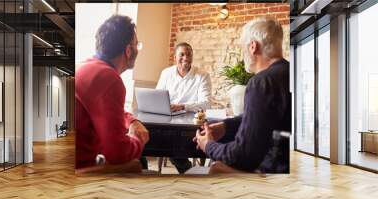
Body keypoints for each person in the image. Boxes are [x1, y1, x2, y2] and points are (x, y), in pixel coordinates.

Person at [193, 17, 291, 173]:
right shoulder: (291, 73)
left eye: (242, 47)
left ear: (253, 46)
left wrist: (208, 146)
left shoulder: (261, 82)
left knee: (216, 169)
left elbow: (243, 156)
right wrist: (226, 126)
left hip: (274, 176)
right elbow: (262, 118)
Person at [75, 15, 149, 170]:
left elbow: (104, 110)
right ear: (128, 50)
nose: (137, 49)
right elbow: (117, 153)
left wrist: (132, 120)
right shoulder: (109, 78)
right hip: (80, 169)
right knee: (136, 165)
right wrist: (137, 139)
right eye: (137, 45)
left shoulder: (86, 67)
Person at [156, 42, 212, 174]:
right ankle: (189, 172)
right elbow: (157, 95)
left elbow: (206, 103)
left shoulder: (202, 75)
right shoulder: (166, 73)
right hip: (167, 121)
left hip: (190, 125)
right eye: (181, 54)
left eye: (189, 54)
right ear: (175, 57)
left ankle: (189, 171)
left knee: (172, 145)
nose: (185, 58)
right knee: (159, 140)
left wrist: (182, 106)